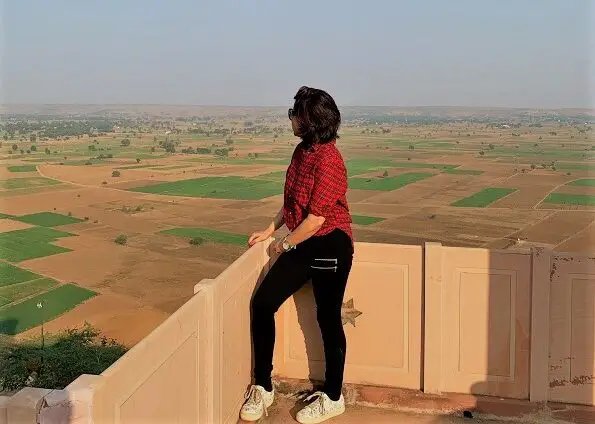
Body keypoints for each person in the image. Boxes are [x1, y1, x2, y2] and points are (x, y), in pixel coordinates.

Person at [240, 86, 354, 424]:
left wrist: (285, 243)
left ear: (310, 122)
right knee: (262, 305)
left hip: (329, 244)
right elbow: (294, 202)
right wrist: (270, 230)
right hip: (302, 240)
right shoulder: (302, 151)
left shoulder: (331, 161)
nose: (290, 119)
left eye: (296, 114)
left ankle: (333, 396)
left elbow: (317, 217)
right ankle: (263, 385)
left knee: (328, 319)